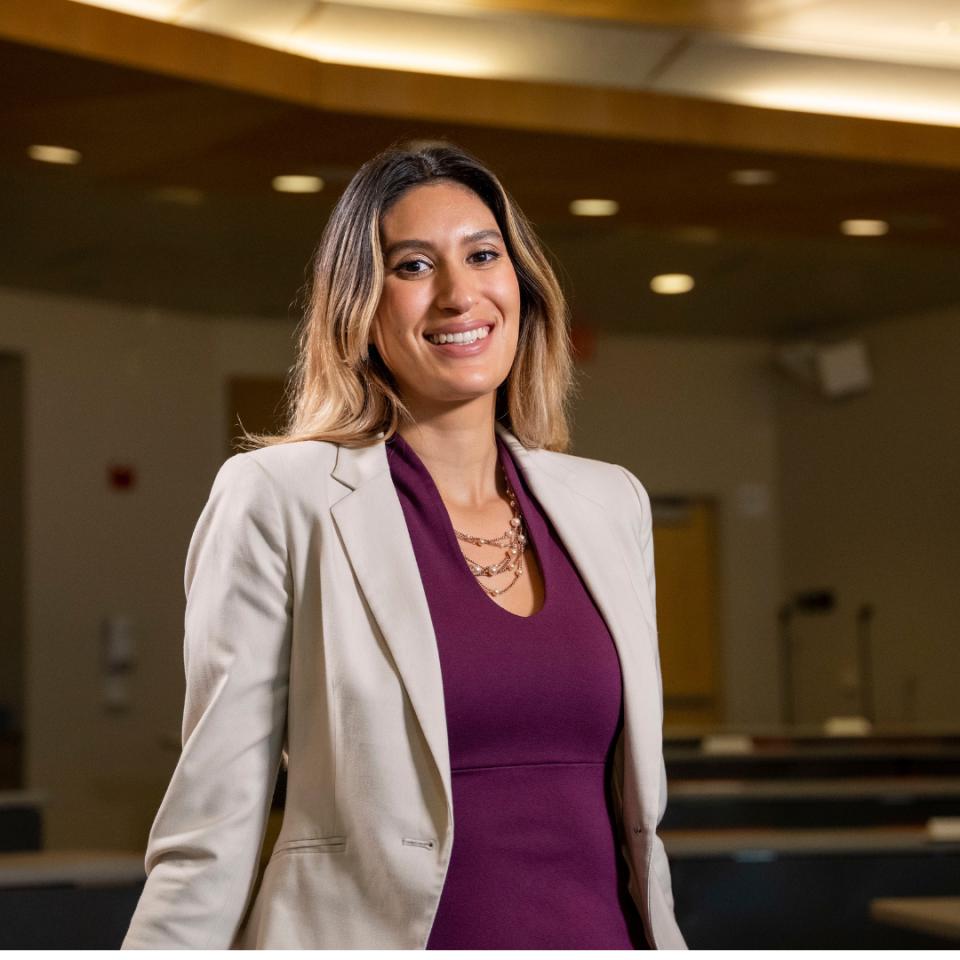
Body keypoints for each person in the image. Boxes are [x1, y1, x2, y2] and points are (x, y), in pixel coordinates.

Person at [121, 142, 686, 950]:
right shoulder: (281, 499)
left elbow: (638, 830)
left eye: (483, 255)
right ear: (359, 306)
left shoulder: (610, 503)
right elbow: (212, 826)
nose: (460, 294)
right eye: (414, 265)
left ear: (521, 288)